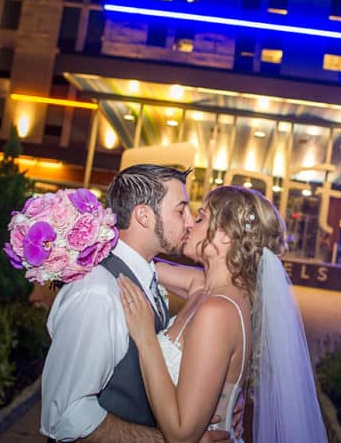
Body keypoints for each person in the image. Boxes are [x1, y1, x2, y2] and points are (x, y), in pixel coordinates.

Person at [40, 164, 241, 442]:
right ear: (144, 215)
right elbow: (65, 416)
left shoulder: (146, 276)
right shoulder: (98, 292)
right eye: (180, 210)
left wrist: (222, 399)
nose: (188, 222)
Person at [118, 185, 328, 442]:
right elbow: (139, 265)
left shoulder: (216, 311)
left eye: (200, 218)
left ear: (226, 235)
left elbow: (181, 435)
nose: (188, 224)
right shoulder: (206, 288)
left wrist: (145, 338)